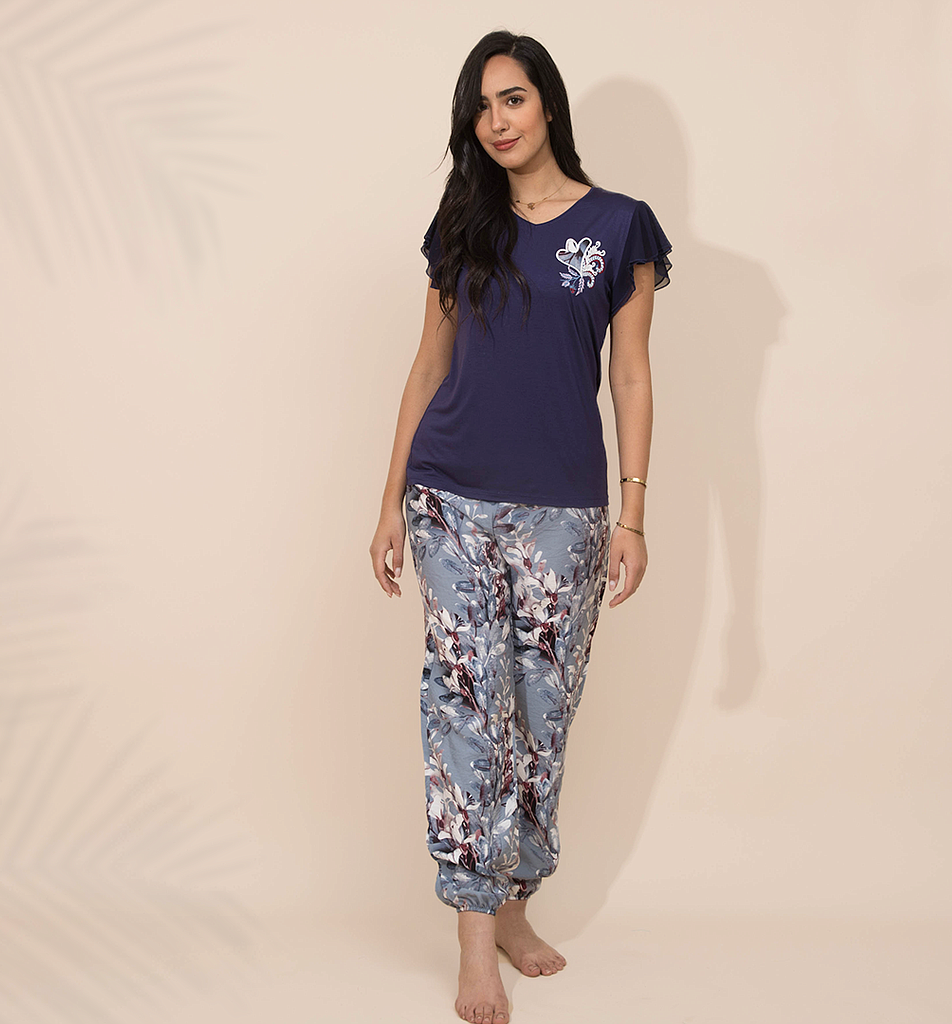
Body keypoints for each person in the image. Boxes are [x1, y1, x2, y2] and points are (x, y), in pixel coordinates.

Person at [369, 29, 672, 1024]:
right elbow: (427, 365)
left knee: (540, 716)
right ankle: (472, 938)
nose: (495, 121)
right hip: (450, 497)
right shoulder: (464, 225)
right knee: (465, 708)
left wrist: (634, 511)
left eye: (511, 99)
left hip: (566, 513)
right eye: (480, 107)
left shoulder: (620, 226)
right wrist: (388, 499)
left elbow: (631, 374)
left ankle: (511, 905)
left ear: (547, 103)